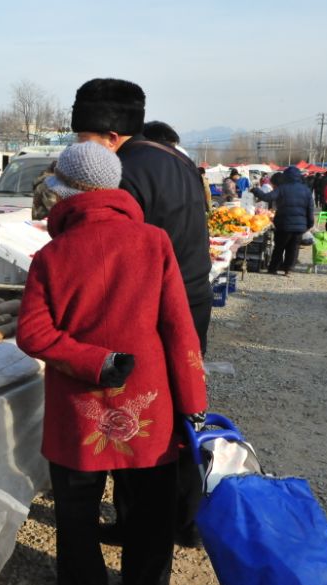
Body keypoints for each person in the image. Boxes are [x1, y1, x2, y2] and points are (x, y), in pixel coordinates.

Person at [16, 141, 207, 585]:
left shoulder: (52, 255)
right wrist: (193, 403)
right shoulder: (154, 241)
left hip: (77, 402)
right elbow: (179, 329)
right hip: (149, 399)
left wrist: (94, 361)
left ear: (65, 191)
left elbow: (32, 333)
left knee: (77, 509)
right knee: (150, 503)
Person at [63, 78, 213, 549]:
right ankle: (184, 520)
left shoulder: (125, 172)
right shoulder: (175, 157)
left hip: (151, 312)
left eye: (84, 139)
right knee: (180, 411)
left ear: (110, 137)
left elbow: (113, 257)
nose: (79, 148)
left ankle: (140, 526)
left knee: (136, 415)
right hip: (192, 301)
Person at [251, 166, 314, 275]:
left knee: (279, 247)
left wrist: (255, 190)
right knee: (293, 248)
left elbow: (267, 197)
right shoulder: (306, 190)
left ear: (286, 176)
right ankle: (288, 269)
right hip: (300, 226)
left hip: (283, 223)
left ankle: (273, 269)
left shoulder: (282, 188)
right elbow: (310, 208)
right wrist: (309, 224)